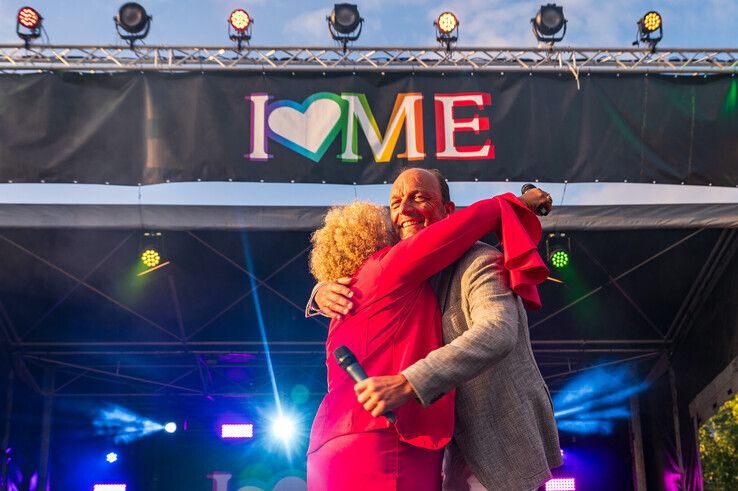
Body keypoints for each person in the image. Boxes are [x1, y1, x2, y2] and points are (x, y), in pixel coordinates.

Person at [310, 168, 562, 491]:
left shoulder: (480, 260)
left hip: (498, 451)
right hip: (443, 460)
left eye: (420, 197)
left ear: (448, 212)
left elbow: (498, 330)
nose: (405, 210)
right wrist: (319, 291)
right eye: (396, 202)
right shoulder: (400, 274)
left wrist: (409, 382)